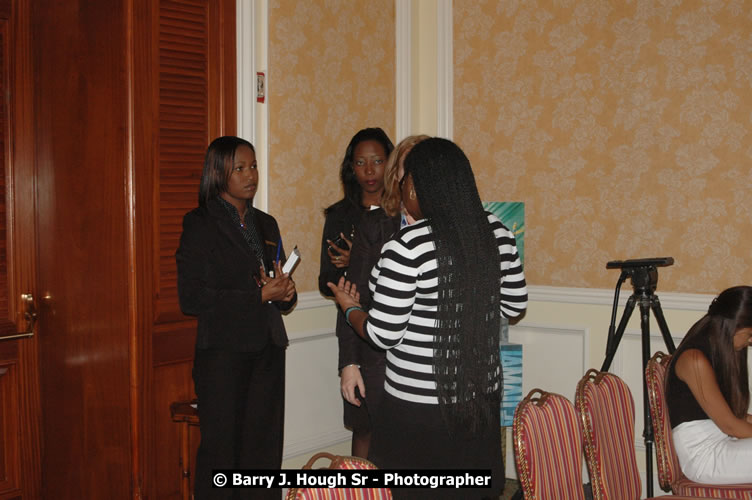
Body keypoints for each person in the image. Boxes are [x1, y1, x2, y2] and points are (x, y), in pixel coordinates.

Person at [328, 137, 528, 499]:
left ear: (416, 187)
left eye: (405, 181)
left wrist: (350, 307)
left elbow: (383, 334)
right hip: (480, 398)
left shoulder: (409, 245)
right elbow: (514, 306)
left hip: (418, 407)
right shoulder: (497, 231)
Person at [176, 136, 296, 499]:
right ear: (218, 173)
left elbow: (276, 289)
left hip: (267, 350)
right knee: (222, 455)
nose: (250, 175)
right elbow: (192, 297)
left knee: (264, 452)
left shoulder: (266, 224)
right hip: (223, 355)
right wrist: (258, 296)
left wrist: (285, 293)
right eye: (239, 168)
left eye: (253, 166)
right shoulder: (200, 223)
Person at [339, 135, 429, 459]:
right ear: (396, 176)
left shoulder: (450, 228)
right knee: (375, 447)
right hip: (378, 360)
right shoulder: (375, 225)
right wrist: (349, 363)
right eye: (407, 168)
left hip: (429, 371)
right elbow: (352, 297)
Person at [665, 285, 752, 484]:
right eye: (749, 334)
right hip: (704, 458)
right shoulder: (694, 360)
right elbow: (731, 426)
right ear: (734, 326)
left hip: (723, 442)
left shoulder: (717, 352)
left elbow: (736, 416)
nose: (750, 341)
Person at [318, 127, 394, 297]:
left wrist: (360, 259)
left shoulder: (403, 212)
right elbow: (325, 282)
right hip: (353, 309)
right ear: (352, 167)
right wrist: (350, 268)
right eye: (360, 163)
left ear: (390, 163)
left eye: (377, 161)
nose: (369, 170)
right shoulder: (338, 215)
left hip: (395, 309)